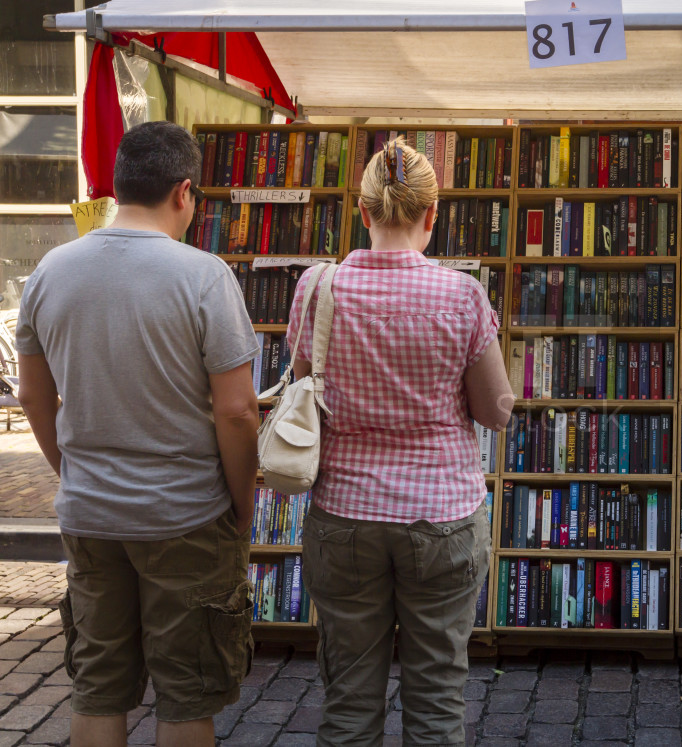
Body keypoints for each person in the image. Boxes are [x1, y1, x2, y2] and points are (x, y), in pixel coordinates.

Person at [15, 121, 260, 747]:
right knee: (185, 695)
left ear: (119, 186)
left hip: (91, 514)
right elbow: (236, 413)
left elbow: (33, 397)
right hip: (184, 513)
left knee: (98, 686)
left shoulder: (50, 272)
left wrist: (70, 470)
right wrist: (244, 504)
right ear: (184, 192)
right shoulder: (205, 277)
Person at [290, 138, 512, 745]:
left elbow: (308, 383)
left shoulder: (317, 288)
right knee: (438, 700)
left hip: (344, 513)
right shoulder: (462, 295)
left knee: (348, 703)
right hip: (441, 516)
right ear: (431, 217)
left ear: (362, 212)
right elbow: (495, 412)